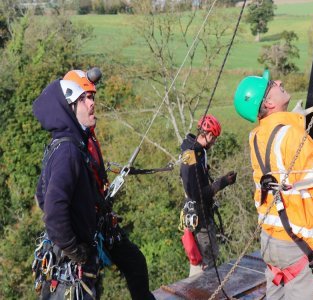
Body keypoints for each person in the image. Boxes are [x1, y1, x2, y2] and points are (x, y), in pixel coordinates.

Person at [33, 68, 155, 299]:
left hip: (81, 241)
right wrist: (74, 248)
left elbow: (42, 194)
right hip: (73, 254)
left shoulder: (71, 144)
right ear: (70, 107)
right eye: (84, 99)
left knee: (133, 263)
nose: (92, 104)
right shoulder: (68, 151)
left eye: (91, 97)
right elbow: (53, 208)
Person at [233, 70, 313, 299]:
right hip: (296, 244)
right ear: (269, 102)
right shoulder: (289, 135)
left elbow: (282, 159)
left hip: (271, 241)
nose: (279, 82)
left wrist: (294, 119)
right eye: (272, 84)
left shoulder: (257, 135)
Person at [180, 114, 237, 276]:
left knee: (204, 258)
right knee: (208, 259)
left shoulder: (197, 151)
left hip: (201, 212)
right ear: (210, 135)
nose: (214, 142)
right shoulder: (191, 154)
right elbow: (196, 193)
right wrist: (222, 182)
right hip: (200, 215)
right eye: (215, 138)